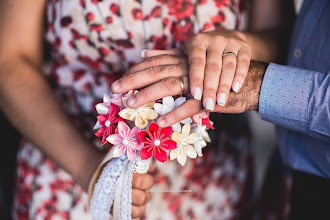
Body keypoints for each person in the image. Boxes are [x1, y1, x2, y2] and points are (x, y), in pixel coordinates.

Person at [0, 0, 287, 219]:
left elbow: (286, 40)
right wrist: (90, 170)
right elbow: (9, 61)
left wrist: (240, 43)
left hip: (209, 182)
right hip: (68, 163)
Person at [114, 0, 329, 219]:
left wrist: (246, 59)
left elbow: (281, 39)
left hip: (213, 174)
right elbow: (299, 43)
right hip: (97, 161)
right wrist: (88, 166)